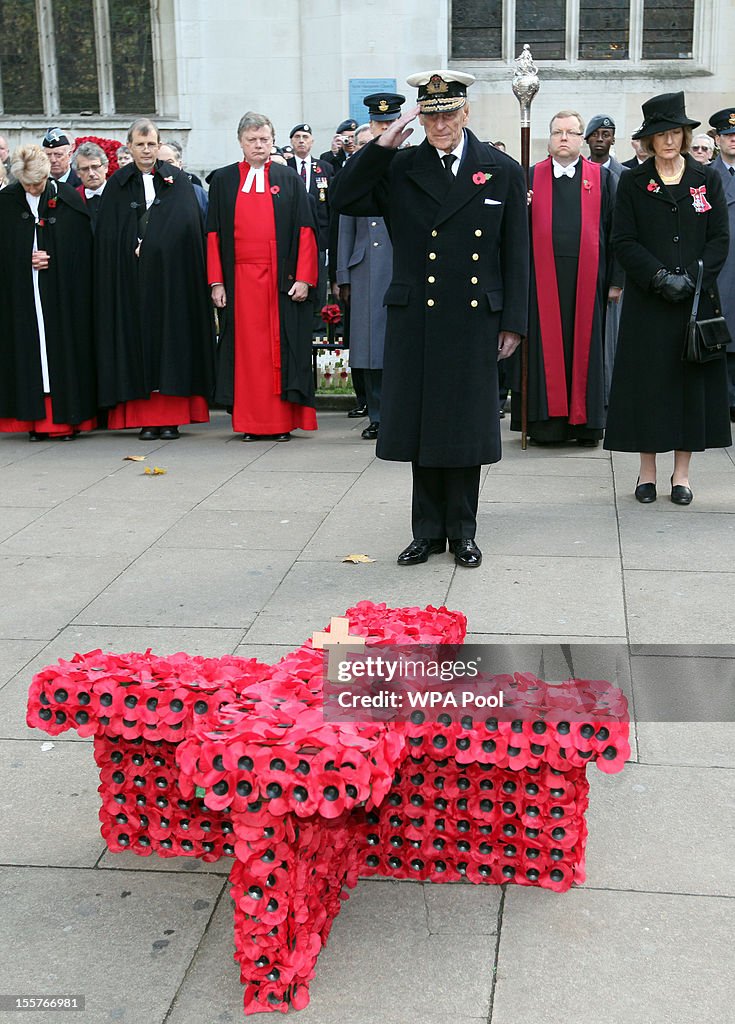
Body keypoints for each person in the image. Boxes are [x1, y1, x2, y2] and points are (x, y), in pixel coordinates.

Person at [331, 69, 529, 568]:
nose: (441, 125)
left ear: (466, 113)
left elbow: (516, 252)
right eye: (431, 115)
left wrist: (514, 321)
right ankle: (426, 532)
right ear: (420, 117)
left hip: (474, 318)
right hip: (418, 314)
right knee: (424, 426)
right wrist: (379, 147)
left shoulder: (500, 169)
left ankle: (462, 531)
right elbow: (344, 197)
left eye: (449, 114)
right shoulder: (399, 168)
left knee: (463, 427)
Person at [604, 92, 731, 504]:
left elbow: (719, 239)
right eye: (662, 135)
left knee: (688, 387)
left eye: (676, 132)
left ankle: (682, 475)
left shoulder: (706, 178)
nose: (670, 141)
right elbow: (623, 240)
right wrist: (658, 277)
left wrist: (694, 277)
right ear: (649, 141)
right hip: (649, 302)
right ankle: (646, 473)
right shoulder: (633, 182)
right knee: (649, 385)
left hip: (694, 304)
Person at [94, 118, 214, 441]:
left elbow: (188, 226)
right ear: (129, 146)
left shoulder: (178, 180)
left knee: (172, 342)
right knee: (139, 344)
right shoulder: (118, 183)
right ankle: (146, 419)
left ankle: (171, 418)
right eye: (140, 145)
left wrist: (156, 246)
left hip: (172, 279)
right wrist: (128, 246)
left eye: (152, 144)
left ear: (159, 145)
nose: (146, 151)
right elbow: (108, 234)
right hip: (132, 282)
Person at [206, 112, 319, 442]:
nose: (259, 145)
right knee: (247, 354)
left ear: (273, 141)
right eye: (252, 140)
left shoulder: (288, 178)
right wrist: (217, 281)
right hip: (240, 281)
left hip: (279, 282)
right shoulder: (224, 180)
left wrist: (304, 278)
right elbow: (213, 234)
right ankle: (250, 422)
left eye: (264, 140)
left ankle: (280, 422)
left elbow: (306, 232)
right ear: (240, 142)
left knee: (278, 351)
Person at [511, 110, 618, 446]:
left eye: (571, 133)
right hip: (540, 283)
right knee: (544, 351)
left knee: (585, 349)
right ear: (550, 136)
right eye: (558, 132)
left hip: (589, 281)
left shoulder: (601, 179)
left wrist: (616, 280)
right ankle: (547, 426)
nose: (564, 138)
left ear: (581, 139)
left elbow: (616, 232)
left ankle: (584, 426)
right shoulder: (530, 177)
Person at [0, 145, 96, 440]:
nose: (33, 188)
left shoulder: (65, 197)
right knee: (27, 349)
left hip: (61, 294)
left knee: (63, 347)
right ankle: (32, 420)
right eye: (28, 184)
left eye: (38, 183)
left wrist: (51, 254)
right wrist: (23, 258)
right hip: (23, 294)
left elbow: (81, 247)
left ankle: (67, 419)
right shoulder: (7, 202)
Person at [336, 109, 402, 441]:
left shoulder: (408, 161)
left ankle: (398, 413)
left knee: (396, 345)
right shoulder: (358, 165)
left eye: (391, 123)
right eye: (380, 124)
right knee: (370, 348)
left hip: (399, 265)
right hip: (366, 269)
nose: (385, 128)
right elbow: (345, 224)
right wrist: (343, 273)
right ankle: (376, 415)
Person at [585, 114, 626, 404]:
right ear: (587, 138)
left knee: (609, 339)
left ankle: (608, 395)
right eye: (596, 133)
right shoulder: (578, 171)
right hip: (581, 267)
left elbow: (621, 232)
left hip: (608, 268)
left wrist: (617, 279)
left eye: (607, 134)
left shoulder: (622, 176)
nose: (601, 138)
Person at [287, 123, 333, 310]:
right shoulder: (284, 167)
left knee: (319, 283)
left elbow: (330, 205)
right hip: (292, 236)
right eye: (297, 137)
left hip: (319, 236)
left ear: (312, 142)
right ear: (291, 141)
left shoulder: (325, 168)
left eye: (305, 137)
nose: (301, 141)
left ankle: (319, 329)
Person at [708, 107, 735, 421]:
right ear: (718, 139)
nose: (733, 141)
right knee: (721, 334)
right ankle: (723, 401)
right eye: (728, 136)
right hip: (721, 266)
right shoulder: (707, 175)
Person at [158, 141, 208, 216]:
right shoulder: (147, 191)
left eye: (170, 162)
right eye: (160, 163)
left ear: (179, 164)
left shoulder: (197, 192)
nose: (165, 166)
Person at [73, 142, 108, 228]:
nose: (91, 173)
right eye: (85, 169)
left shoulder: (120, 194)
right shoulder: (73, 198)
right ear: (77, 173)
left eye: (95, 167)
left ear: (106, 167)